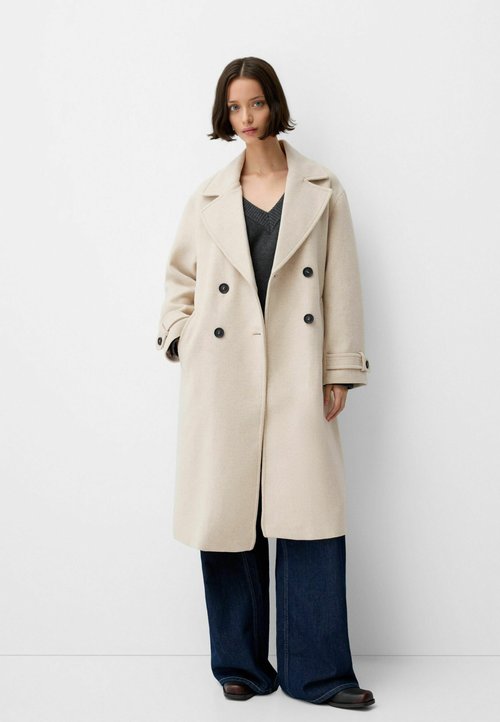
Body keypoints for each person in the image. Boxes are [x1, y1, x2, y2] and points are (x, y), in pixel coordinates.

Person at [156, 56, 374, 709]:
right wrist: (183, 337)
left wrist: (340, 368)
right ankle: (241, 666)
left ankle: (319, 674)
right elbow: (179, 282)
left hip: (297, 370)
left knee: (309, 518)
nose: (246, 118)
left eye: (254, 103)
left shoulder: (322, 188)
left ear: (274, 104)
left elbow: (341, 281)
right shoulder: (209, 196)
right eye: (234, 107)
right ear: (223, 115)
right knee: (229, 520)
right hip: (224, 375)